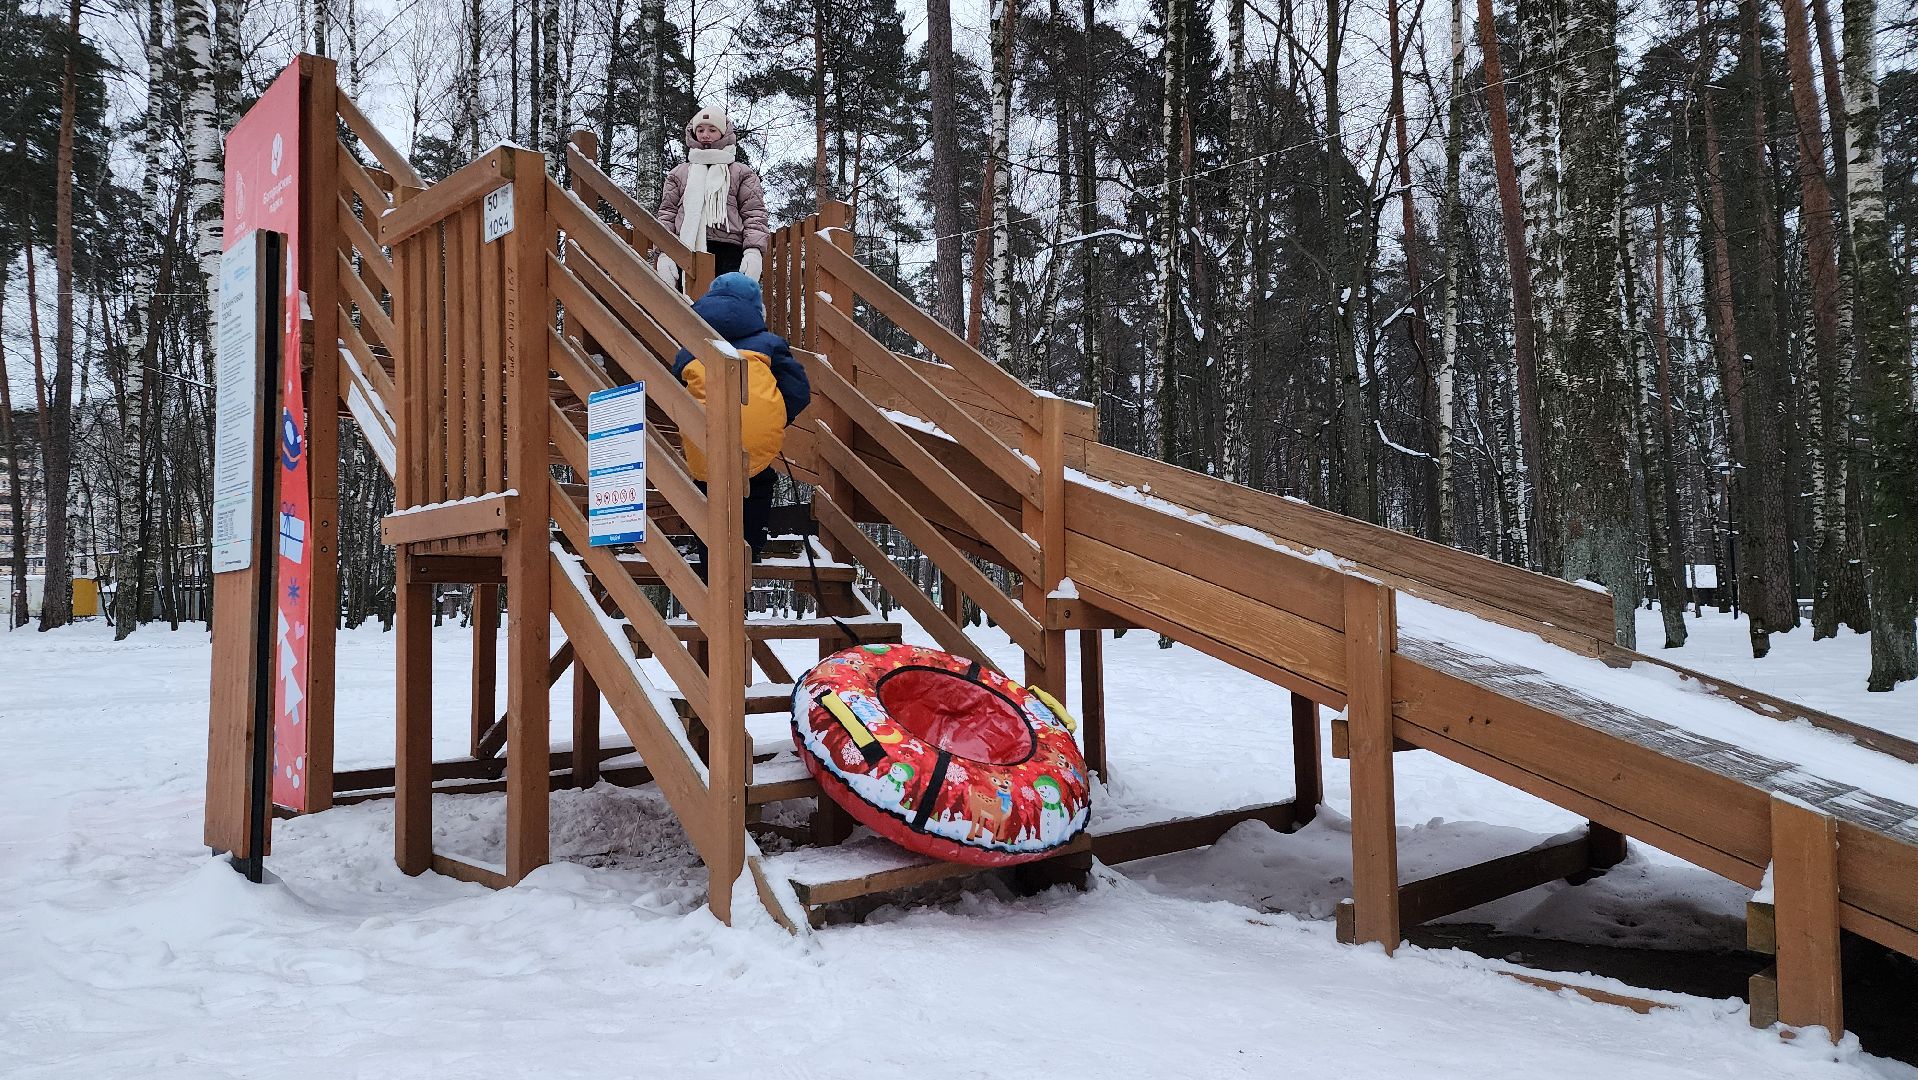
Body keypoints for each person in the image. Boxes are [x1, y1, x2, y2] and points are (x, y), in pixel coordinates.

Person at [670, 273, 810, 573]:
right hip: (756, 437)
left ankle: (712, 562)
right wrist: (776, 417)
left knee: (707, 489)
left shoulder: (689, 348)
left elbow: (674, 388)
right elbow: (798, 391)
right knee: (759, 481)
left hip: (704, 438)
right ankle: (750, 550)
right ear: (755, 308)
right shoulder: (769, 343)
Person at [656, 107, 769, 286]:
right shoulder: (678, 173)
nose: (705, 135)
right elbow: (667, 214)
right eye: (700, 130)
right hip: (686, 248)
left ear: (723, 133)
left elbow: (754, 214)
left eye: (712, 130)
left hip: (730, 250)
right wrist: (665, 252)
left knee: (726, 301)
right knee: (687, 302)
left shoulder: (741, 172)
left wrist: (753, 251)